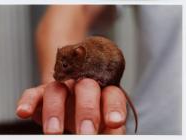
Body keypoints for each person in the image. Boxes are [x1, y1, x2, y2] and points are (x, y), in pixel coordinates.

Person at [16, 5, 182, 135]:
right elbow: (74, 8)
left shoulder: (90, 59)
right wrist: (61, 95)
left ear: (79, 56)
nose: (59, 73)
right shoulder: (78, 57)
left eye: (64, 67)